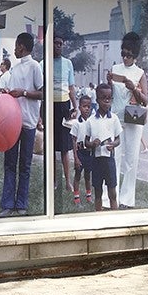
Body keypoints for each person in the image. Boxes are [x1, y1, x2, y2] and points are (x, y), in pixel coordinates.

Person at [0, 33, 44, 217]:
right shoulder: (14, 70)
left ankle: (21, 203)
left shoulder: (35, 66)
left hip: (29, 122)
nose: (15, 50)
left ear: (22, 47)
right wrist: (7, 93)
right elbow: (13, 94)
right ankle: (8, 203)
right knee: (10, 163)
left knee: (25, 164)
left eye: (16, 46)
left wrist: (23, 93)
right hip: (13, 122)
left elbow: (42, 93)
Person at [108, 31, 148, 209]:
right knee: (112, 157)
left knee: (131, 159)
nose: (125, 57)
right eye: (123, 53)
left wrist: (134, 89)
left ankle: (127, 199)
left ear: (135, 55)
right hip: (116, 117)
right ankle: (110, 196)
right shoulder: (115, 69)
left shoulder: (140, 73)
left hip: (133, 118)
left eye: (129, 55)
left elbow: (145, 100)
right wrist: (109, 83)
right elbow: (107, 95)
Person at [85, 83, 121, 211]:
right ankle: (98, 215)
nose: (107, 101)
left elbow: (118, 139)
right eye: (103, 98)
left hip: (109, 159)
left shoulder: (114, 119)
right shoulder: (91, 121)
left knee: (112, 191)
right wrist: (92, 143)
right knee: (98, 192)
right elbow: (85, 142)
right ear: (97, 100)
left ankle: (114, 215)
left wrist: (113, 144)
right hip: (96, 160)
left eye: (109, 98)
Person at [53, 36, 77, 195]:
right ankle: (54, 181)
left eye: (61, 44)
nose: (58, 46)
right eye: (56, 43)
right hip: (50, 105)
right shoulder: (43, 63)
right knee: (51, 148)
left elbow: (71, 87)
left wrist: (75, 107)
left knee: (65, 148)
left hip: (64, 105)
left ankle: (67, 181)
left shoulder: (68, 63)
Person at [69, 95, 94, 209]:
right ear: (79, 107)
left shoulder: (92, 122)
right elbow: (73, 140)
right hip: (80, 152)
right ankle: (76, 198)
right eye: (84, 106)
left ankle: (89, 196)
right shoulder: (76, 123)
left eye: (89, 106)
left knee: (88, 175)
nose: (87, 109)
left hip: (89, 152)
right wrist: (76, 158)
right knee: (78, 175)